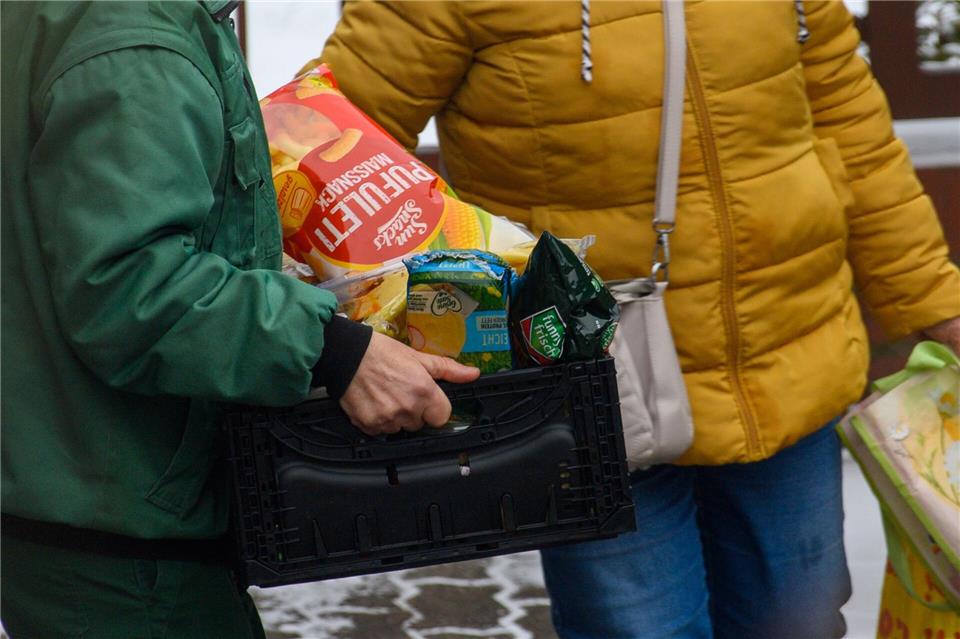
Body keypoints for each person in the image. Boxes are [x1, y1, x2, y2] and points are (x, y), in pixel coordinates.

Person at [315, 1, 960, 637]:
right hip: (592, 387)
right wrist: (372, 330)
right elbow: (326, 153)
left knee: (799, 622)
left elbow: (853, 132)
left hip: (789, 356)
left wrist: (939, 303)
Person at [0, 2, 479, 637]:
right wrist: (331, 348)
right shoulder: (138, 43)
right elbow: (129, 291)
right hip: (125, 531)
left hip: (78, 501)